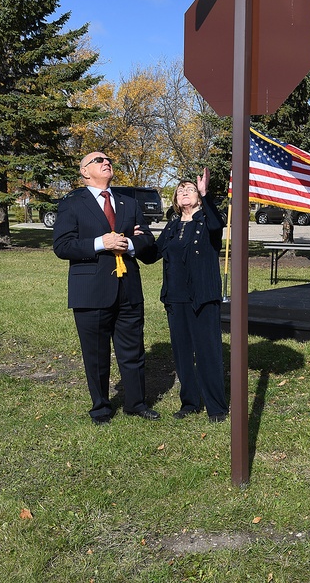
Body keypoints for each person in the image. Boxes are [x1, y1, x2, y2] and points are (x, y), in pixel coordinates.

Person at [52, 151, 158, 425]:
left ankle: (136, 403)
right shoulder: (72, 204)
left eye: (108, 159)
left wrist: (130, 244)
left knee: (133, 350)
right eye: (98, 160)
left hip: (128, 289)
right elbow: (62, 246)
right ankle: (101, 408)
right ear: (85, 172)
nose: (106, 161)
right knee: (96, 355)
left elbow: (146, 238)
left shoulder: (127, 202)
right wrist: (101, 243)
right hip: (91, 291)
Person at [151, 170, 228, 423]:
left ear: (198, 196)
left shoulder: (208, 220)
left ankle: (216, 406)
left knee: (208, 351)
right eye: (180, 190)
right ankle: (190, 402)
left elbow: (218, 225)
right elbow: (153, 253)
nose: (185, 192)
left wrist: (205, 194)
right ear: (175, 198)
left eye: (190, 189)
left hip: (203, 296)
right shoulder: (173, 223)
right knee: (182, 353)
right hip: (176, 297)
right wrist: (134, 238)